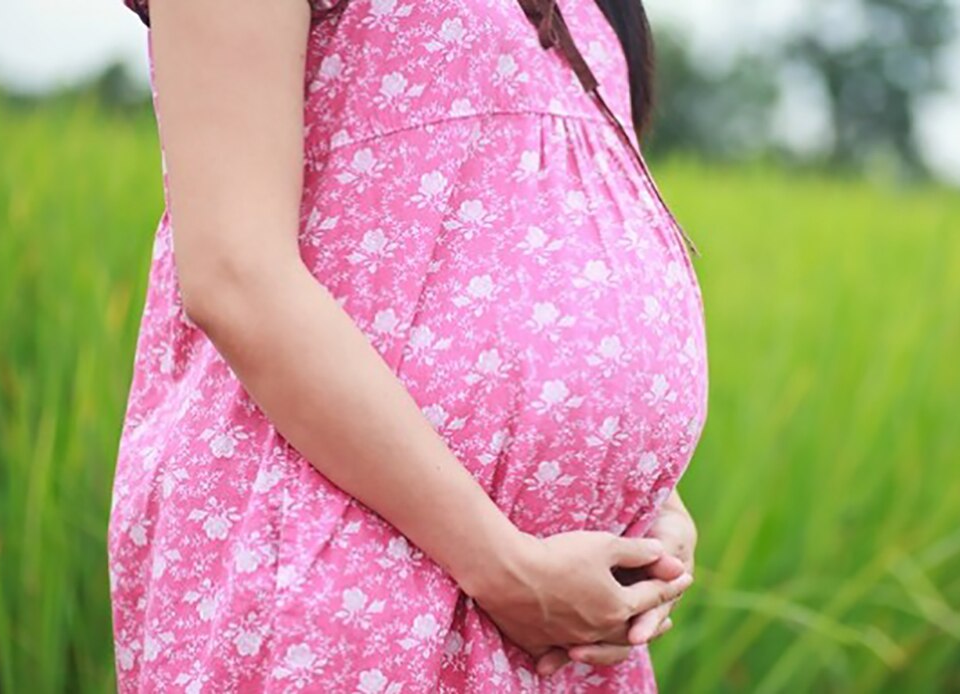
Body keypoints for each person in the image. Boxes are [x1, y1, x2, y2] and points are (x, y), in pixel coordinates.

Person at [106, 0, 709, 690]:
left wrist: (647, 496)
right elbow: (235, 276)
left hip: (564, 623)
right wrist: (500, 565)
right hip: (351, 568)